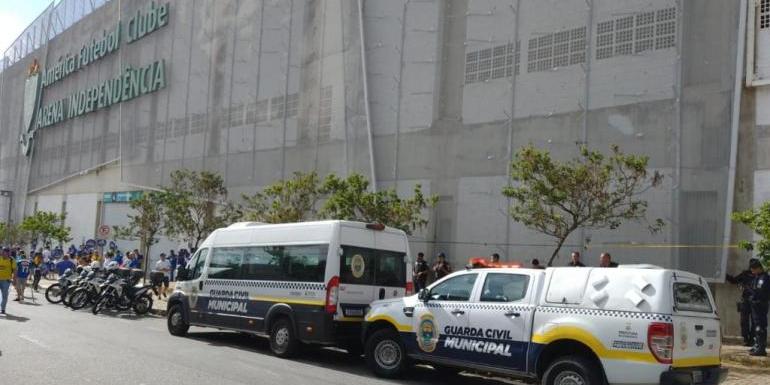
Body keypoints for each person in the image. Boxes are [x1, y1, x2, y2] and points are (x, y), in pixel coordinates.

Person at [727, 259, 758, 346]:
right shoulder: (745, 274)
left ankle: (752, 340)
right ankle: (746, 338)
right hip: (745, 300)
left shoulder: (759, 275)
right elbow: (734, 280)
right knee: (744, 321)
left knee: (755, 321)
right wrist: (724, 275)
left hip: (755, 301)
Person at [748, 259, 770, 356]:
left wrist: (753, 296)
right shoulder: (757, 277)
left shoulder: (764, 278)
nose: (752, 272)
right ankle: (757, 345)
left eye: (753, 269)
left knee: (760, 326)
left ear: (758, 268)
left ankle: (761, 348)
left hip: (760, 305)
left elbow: (760, 292)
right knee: (756, 325)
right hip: (755, 305)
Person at [0, 247, 17, 314]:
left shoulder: (11, 260)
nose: (3, 253)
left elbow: (15, 270)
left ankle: (3, 309)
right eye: (3, 251)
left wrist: (14, 279)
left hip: (6, 280)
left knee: (4, 295)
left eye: (6, 252)